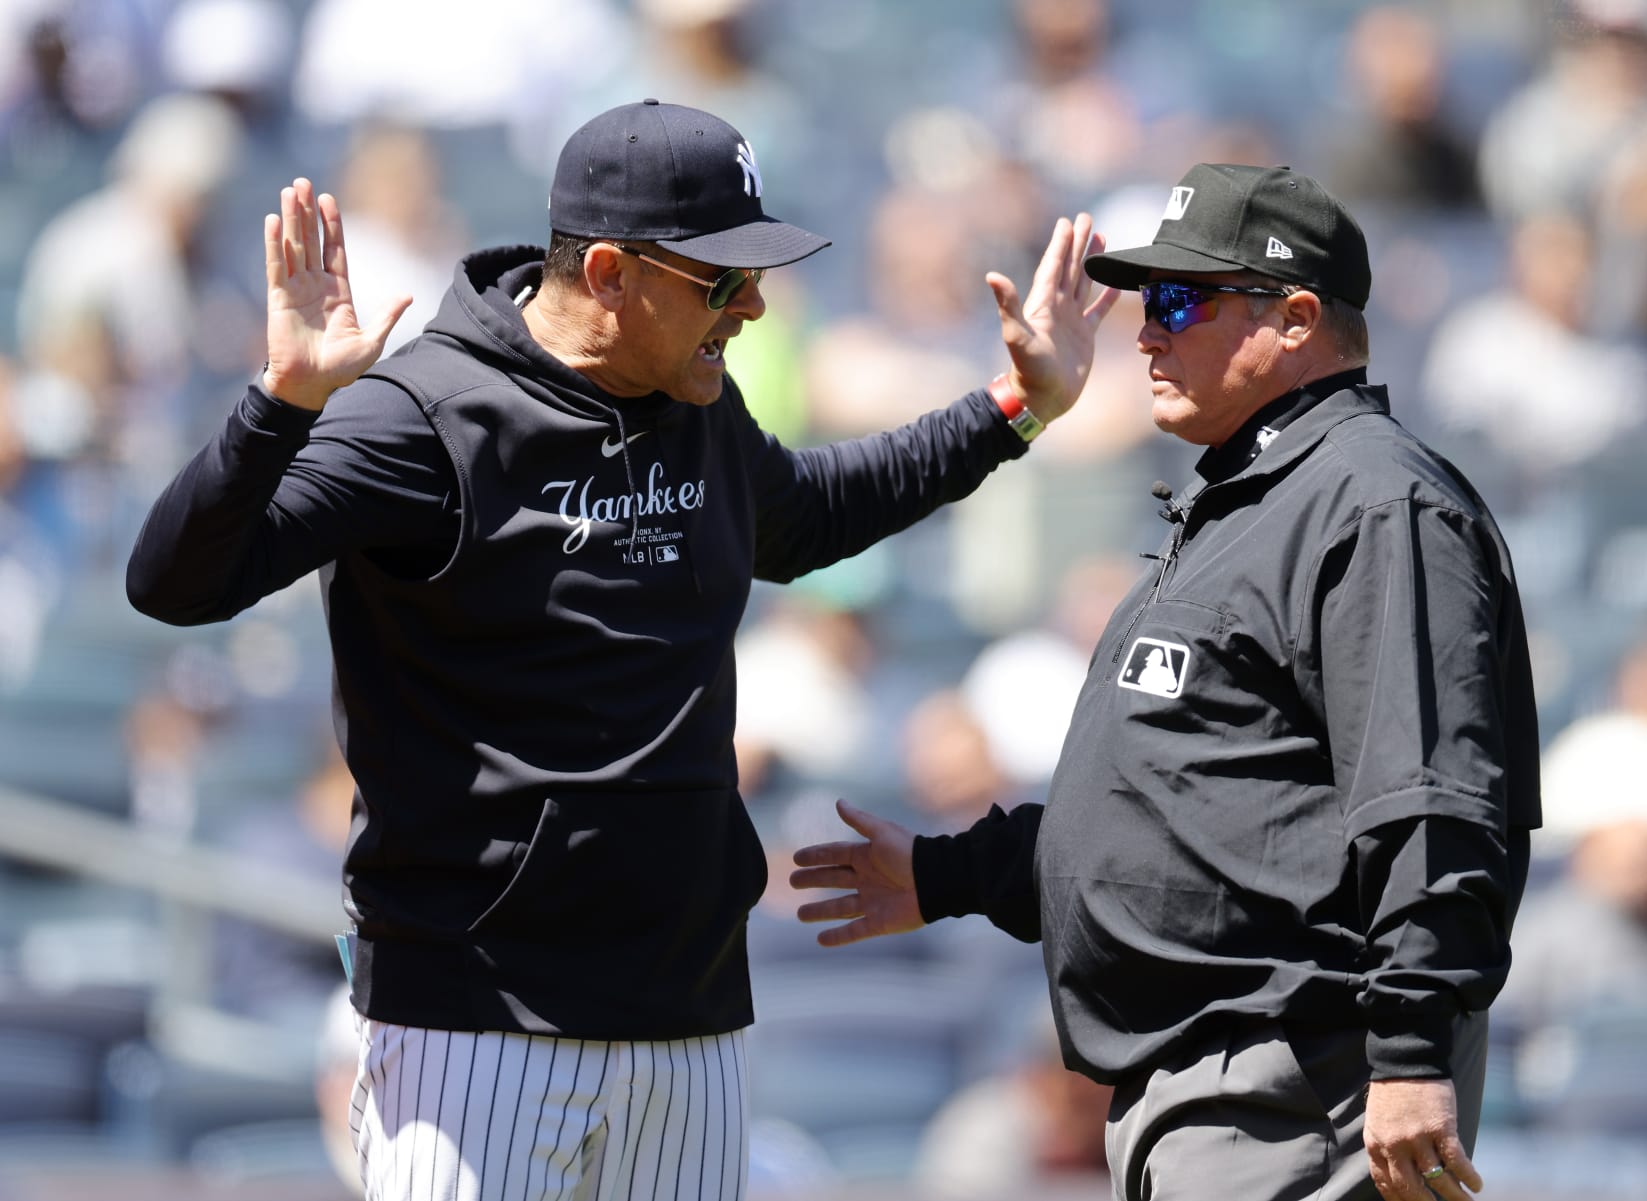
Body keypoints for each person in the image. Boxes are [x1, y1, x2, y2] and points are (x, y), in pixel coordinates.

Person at [125, 98, 1118, 1201]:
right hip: (481, 1024)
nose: (752, 305)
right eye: (720, 280)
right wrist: (285, 402)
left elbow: (811, 514)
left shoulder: (688, 394)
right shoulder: (427, 416)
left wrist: (1019, 406)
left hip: (690, 1017)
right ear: (606, 271)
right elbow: (176, 582)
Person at [793, 163, 1541, 1201]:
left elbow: (1431, 798)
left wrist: (1411, 1051)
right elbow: (1187, 820)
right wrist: (955, 873)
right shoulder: (1248, 503)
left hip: (1300, 1081)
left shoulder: (1375, 500)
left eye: (1182, 301)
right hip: (1218, 1091)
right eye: (1150, 301)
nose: (1147, 331)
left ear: (1296, 319)